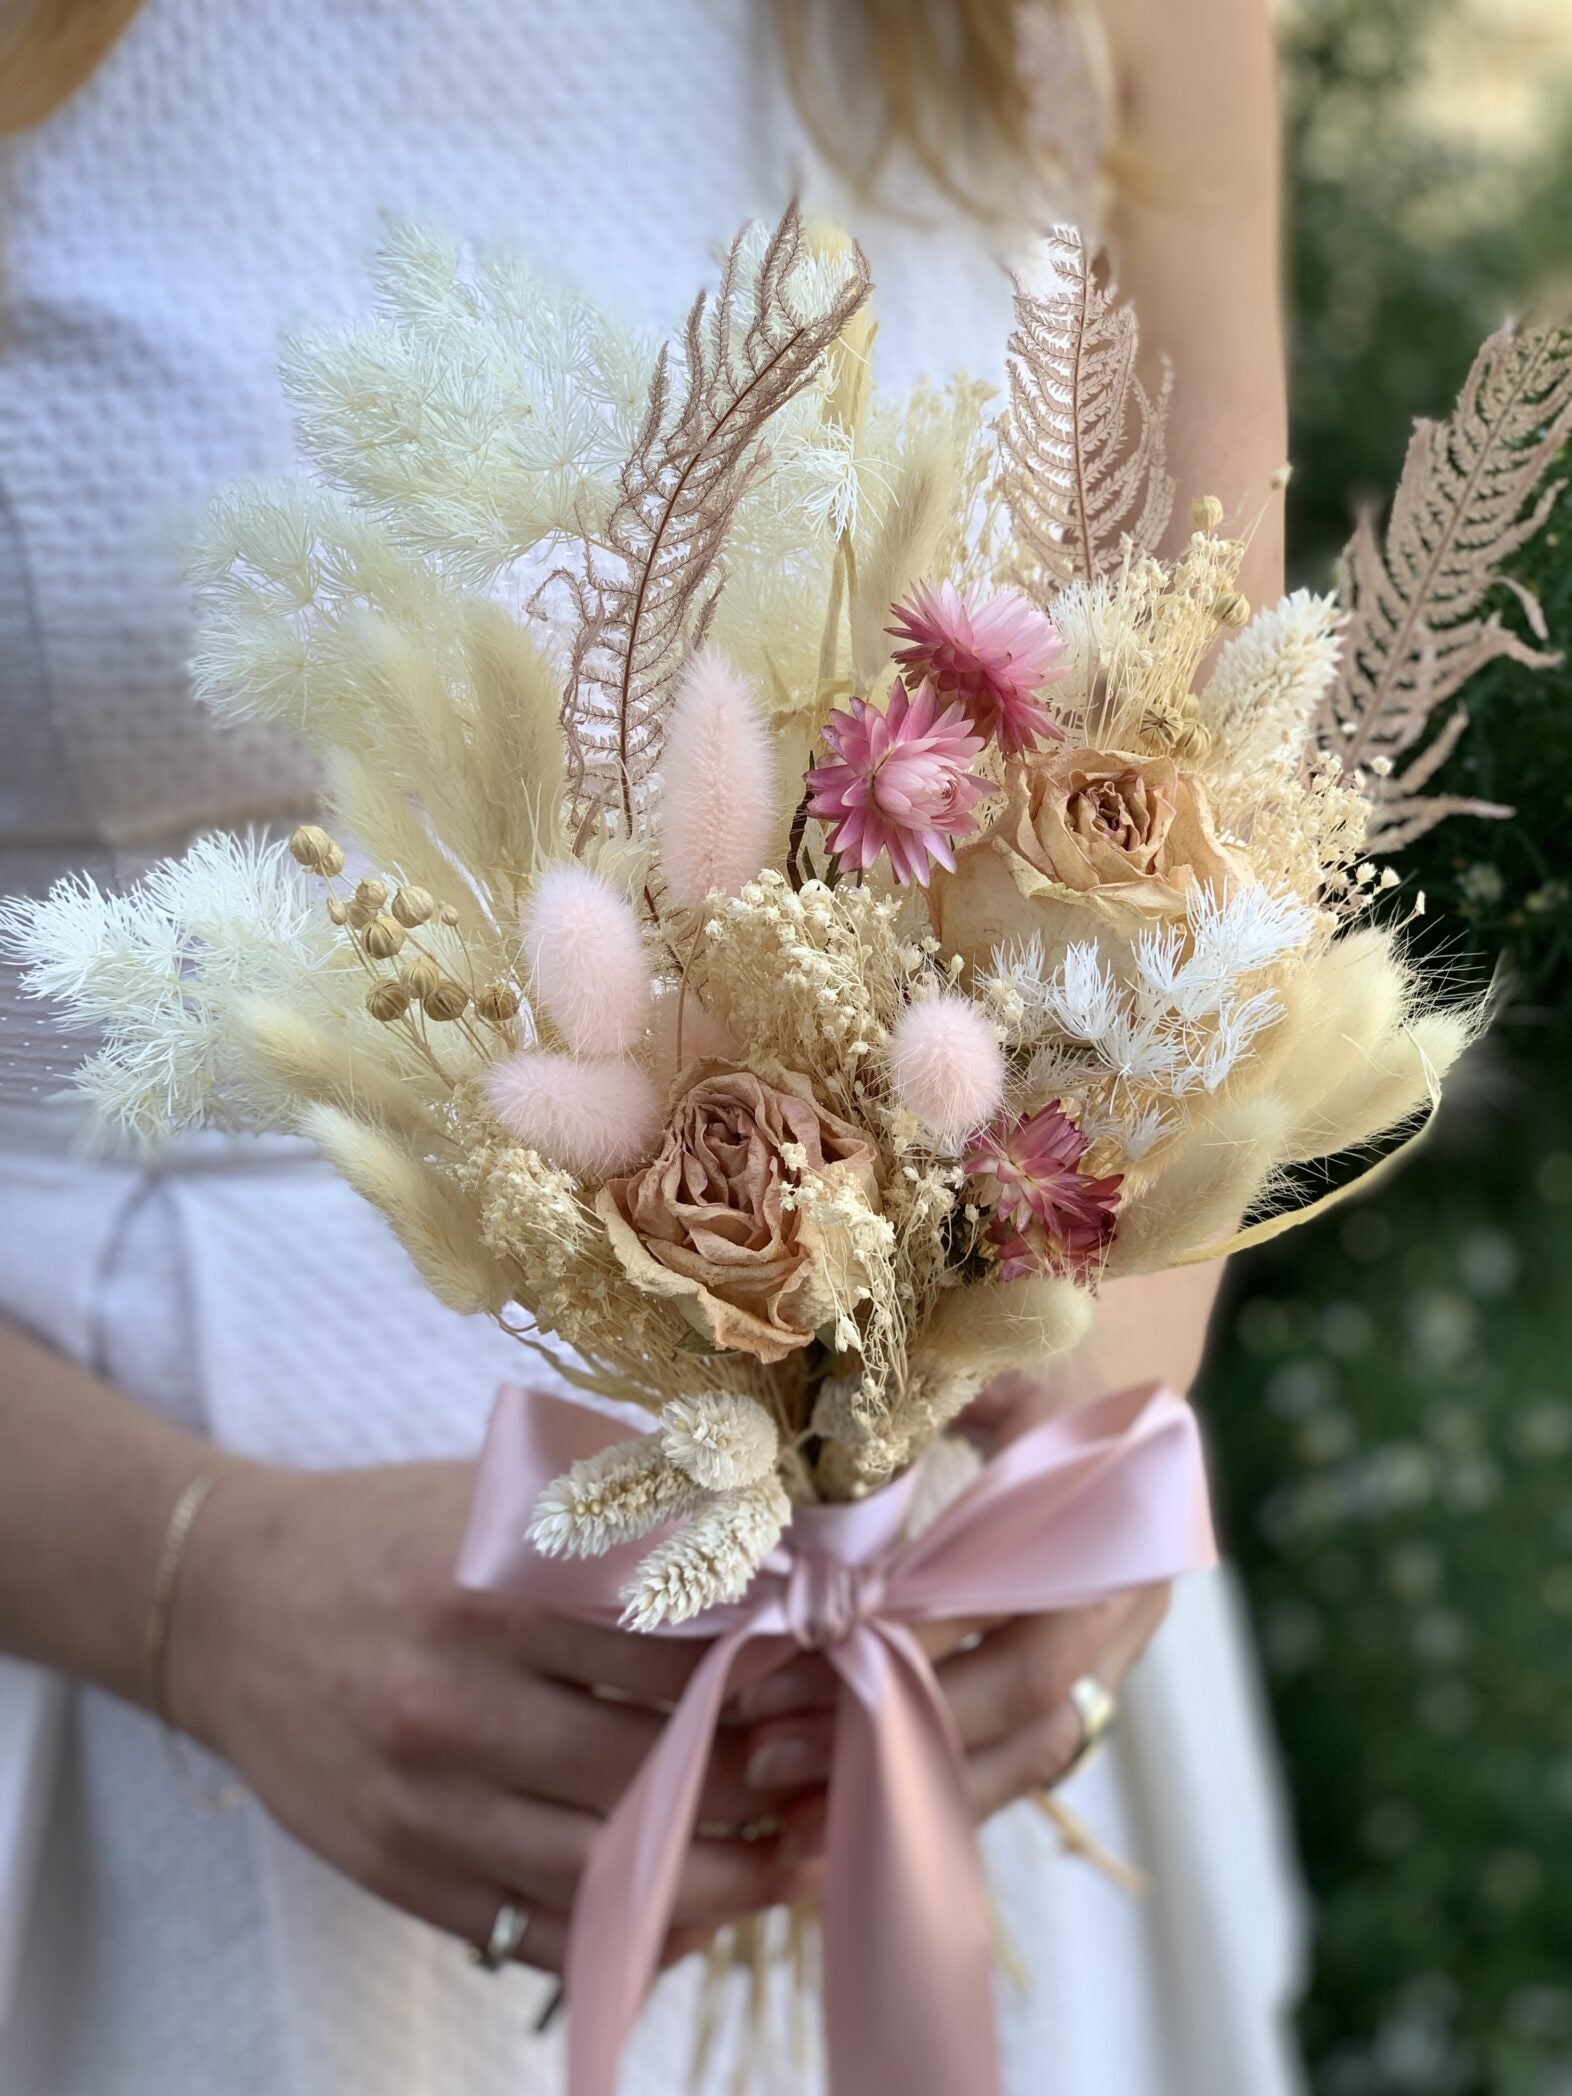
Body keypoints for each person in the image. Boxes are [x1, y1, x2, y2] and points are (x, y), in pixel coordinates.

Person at [0, 1, 1305, 2089]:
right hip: (126, 1739)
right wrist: (183, 1586)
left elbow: (1213, 781)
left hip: (964, 1737)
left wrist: (1070, 1461)